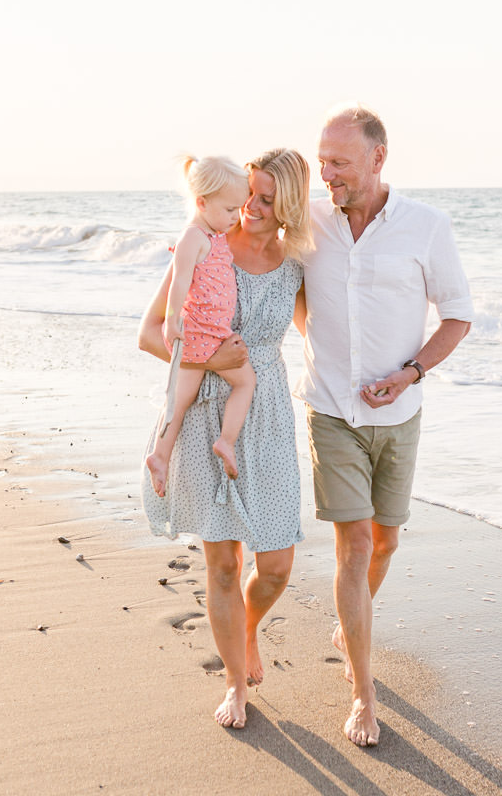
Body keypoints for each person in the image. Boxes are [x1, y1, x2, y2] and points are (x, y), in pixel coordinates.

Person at [296, 104, 474, 747]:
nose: (327, 173)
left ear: (378, 157)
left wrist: (410, 373)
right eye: (322, 160)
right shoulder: (310, 220)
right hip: (331, 411)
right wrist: (318, 350)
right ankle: (362, 696)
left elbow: (456, 317)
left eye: (339, 162)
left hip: (400, 413)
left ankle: (353, 621)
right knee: (356, 547)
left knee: (387, 541)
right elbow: (284, 282)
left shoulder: (427, 227)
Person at [140, 148, 313, 730]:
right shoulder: (208, 243)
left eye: (268, 199)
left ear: (288, 203)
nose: (253, 208)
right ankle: (237, 684)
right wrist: (212, 361)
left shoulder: (297, 262)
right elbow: (149, 333)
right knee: (220, 565)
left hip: (266, 417)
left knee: (277, 565)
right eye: (250, 195)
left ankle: (246, 627)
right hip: (206, 407)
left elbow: (326, 334)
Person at [145, 155, 255, 497]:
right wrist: (173, 320)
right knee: (244, 383)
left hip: (214, 333)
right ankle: (225, 440)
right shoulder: (193, 236)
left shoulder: (214, 232)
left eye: (239, 209)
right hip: (200, 334)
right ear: (201, 202)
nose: (235, 218)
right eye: (229, 210)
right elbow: (179, 283)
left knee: (180, 402)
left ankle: (162, 456)